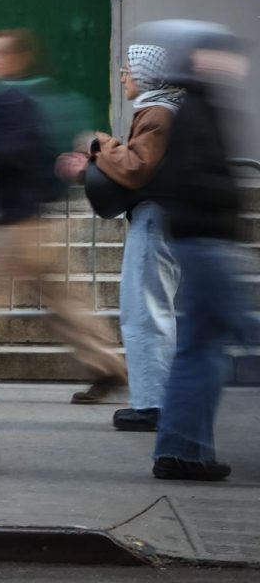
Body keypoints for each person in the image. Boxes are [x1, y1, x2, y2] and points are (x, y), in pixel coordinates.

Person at [0, 30, 126, 401]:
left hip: (20, 223)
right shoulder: (29, 97)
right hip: (42, 220)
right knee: (66, 302)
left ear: (11, 59)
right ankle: (107, 367)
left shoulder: (7, 101)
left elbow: (10, 151)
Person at [142, 20, 250, 481]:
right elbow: (182, 180)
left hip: (201, 239)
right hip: (204, 242)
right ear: (201, 59)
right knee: (244, 332)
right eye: (225, 53)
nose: (237, 62)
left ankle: (181, 453)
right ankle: (182, 452)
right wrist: (230, 196)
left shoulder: (199, 106)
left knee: (198, 352)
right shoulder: (194, 111)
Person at [57, 42, 182, 431]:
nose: (123, 76)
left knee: (144, 312)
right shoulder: (160, 109)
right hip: (161, 215)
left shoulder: (159, 113)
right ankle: (155, 400)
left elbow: (136, 167)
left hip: (155, 217)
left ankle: (152, 405)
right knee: (149, 309)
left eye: (129, 69)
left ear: (147, 75)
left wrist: (101, 143)